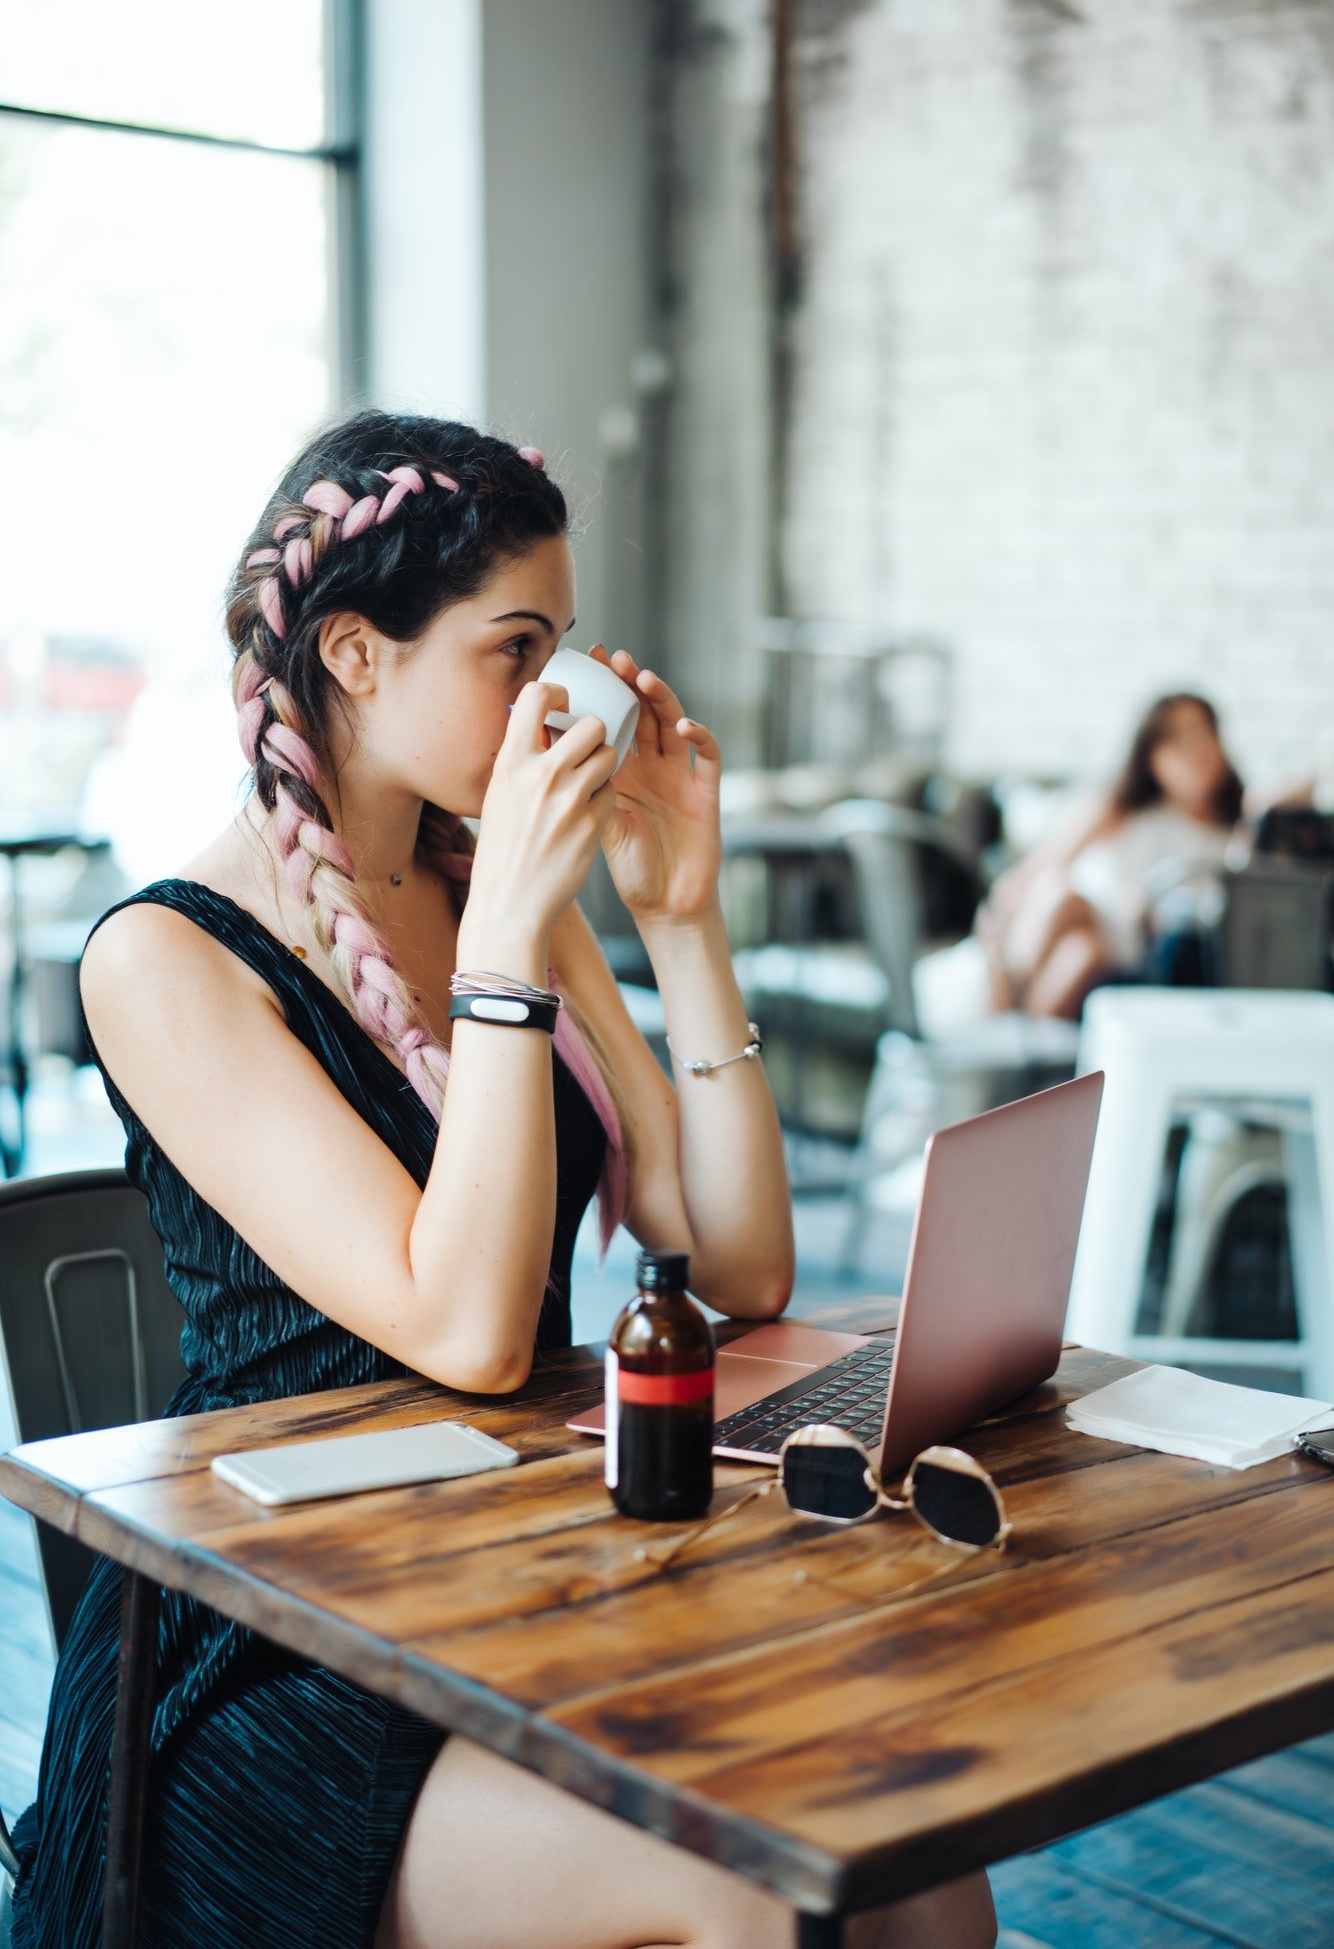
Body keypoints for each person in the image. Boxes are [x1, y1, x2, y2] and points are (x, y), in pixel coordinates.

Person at [10, 413, 996, 1949]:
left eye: (566, 647)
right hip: (283, 1653)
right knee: (744, 1893)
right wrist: (503, 955)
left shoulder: (498, 889)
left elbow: (736, 1267)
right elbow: (465, 1330)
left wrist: (678, 919)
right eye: (514, 648)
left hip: (518, 1574)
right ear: (353, 654)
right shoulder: (166, 957)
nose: (560, 698)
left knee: (921, 1875)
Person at [978, 693, 1244, 1020]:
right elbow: (1040, 866)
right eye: (1176, 739)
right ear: (1152, 756)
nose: (1195, 749)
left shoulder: (1236, 830)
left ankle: (1008, 1022)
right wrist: (1001, 915)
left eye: (1203, 733)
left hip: (1129, 945)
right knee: (1065, 909)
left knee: (1084, 953)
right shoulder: (1121, 809)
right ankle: (1005, 1002)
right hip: (1075, 917)